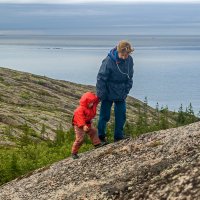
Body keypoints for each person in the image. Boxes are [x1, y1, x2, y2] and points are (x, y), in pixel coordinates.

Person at [96, 40, 134, 143]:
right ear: (118, 51)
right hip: (107, 92)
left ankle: (118, 136)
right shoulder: (108, 61)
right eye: (123, 54)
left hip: (121, 92)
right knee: (104, 115)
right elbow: (101, 78)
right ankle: (100, 138)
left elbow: (130, 77)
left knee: (121, 114)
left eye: (127, 55)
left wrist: (126, 90)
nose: (124, 57)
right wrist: (101, 94)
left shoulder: (130, 60)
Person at [71, 91, 104, 159]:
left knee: (94, 131)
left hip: (88, 123)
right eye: (90, 102)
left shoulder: (92, 105)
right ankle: (74, 153)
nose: (92, 104)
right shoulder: (79, 110)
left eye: (92, 102)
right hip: (79, 125)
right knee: (80, 139)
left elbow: (96, 100)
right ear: (86, 102)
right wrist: (83, 126)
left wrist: (102, 95)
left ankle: (97, 143)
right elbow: (79, 118)